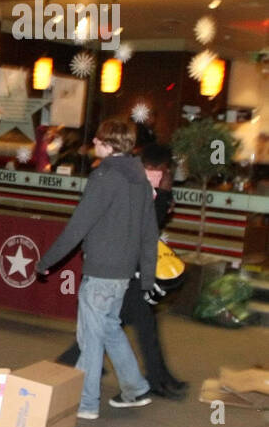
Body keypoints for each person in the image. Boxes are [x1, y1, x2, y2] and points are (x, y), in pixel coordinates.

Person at [35, 118, 158, 419]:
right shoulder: (139, 178)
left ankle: (87, 402)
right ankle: (136, 388)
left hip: (101, 269)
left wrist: (47, 261)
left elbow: (79, 225)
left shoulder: (104, 176)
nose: (93, 145)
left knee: (90, 337)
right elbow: (149, 230)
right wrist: (148, 276)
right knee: (109, 328)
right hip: (123, 272)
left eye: (98, 140)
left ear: (109, 143)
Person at [54, 143, 187, 398]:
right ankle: (144, 382)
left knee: (114, 324)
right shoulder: (139, 189)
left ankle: (147, 381)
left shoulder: (148, 191)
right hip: (127, 271)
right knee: (114, 325)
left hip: (129, 271)